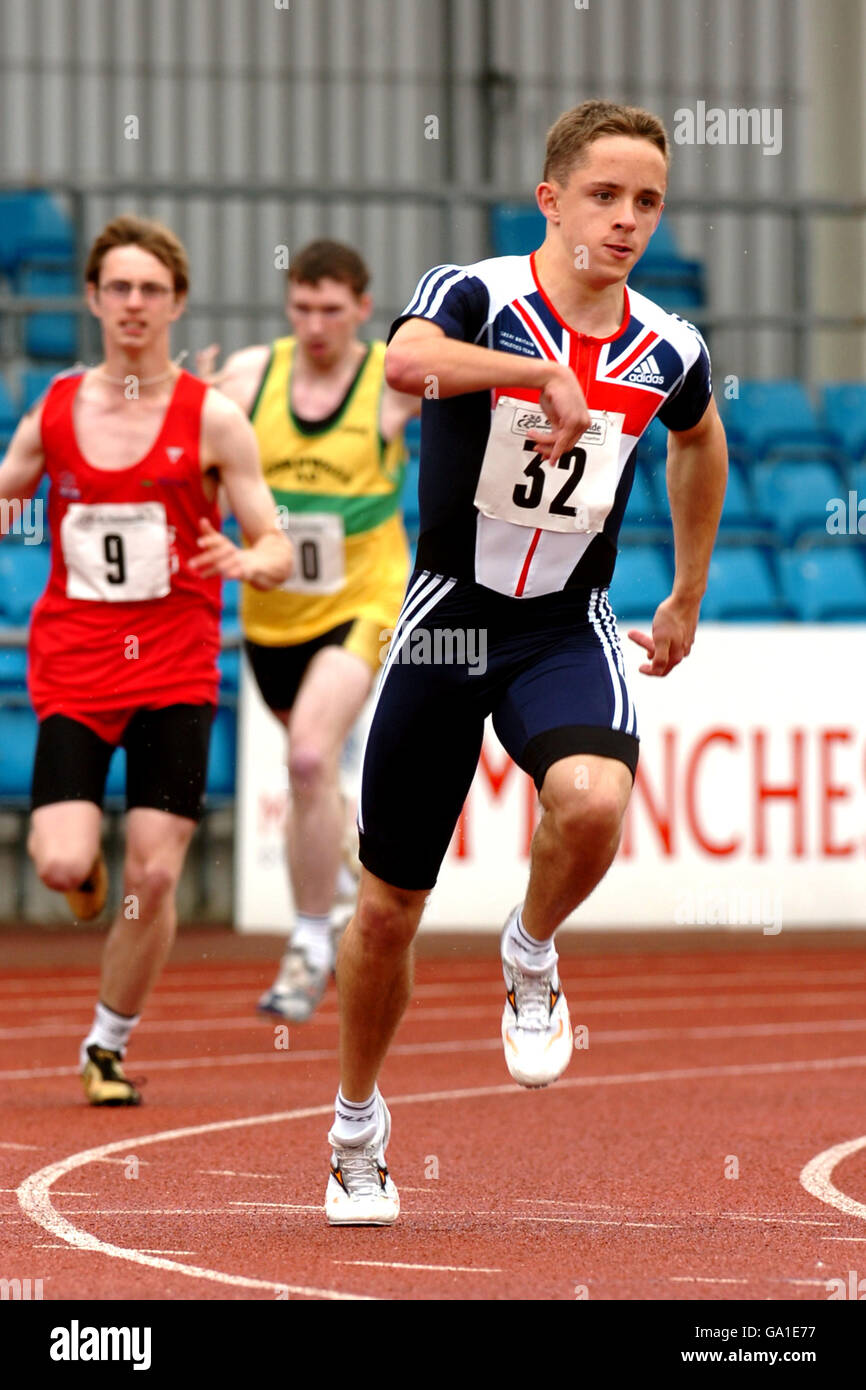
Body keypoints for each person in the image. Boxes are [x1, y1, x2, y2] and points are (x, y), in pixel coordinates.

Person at [323, 99, 728, 1223]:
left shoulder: (667, 345)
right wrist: (529, 377)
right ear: (550, 198)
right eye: (603, 195)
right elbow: (403, 362)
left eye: (646, 200)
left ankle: (529, 948)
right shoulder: (477, 292)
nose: (626, 219)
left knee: (593, 804)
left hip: (564, 624)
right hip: (446, 623)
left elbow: (697, 437)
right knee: (387, 912)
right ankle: (357, 1125)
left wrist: (687, 588)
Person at [0, 214, 292, 1105]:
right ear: (92, 298)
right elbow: (7, 498)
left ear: (177, 303)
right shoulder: (52, 411)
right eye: (118, 288)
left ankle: (106, 1043)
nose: (134, 304)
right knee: (60, 865)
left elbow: (277, 542)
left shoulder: (215, 420)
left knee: (157, 871)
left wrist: (249, 562)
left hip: (174, 666)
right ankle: (79, 867)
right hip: (77, 667)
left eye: (151, 290)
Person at [198, 240, 419, 1023]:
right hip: (273, 609)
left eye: (333, 309)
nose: (317, 324)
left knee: (307, 753)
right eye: (303, 308)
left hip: (364, 597)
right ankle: (338, 891)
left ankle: (307, 946)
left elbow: (473, 398)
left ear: (362, 308)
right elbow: (188, 449)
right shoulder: (254, 376)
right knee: (311, 777)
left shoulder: (390, 378)